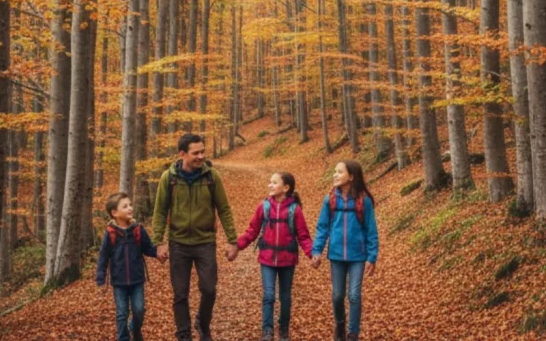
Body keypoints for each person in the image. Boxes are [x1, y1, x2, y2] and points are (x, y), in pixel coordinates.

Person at [152, 133, 239, 341]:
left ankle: (202, 323)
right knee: (180, 293)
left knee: (209, 289)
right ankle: (183, 334)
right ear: (183, 154)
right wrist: (159, 242)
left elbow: (224, 209)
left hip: (205, 242)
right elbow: (160, 211)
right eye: (195, 153)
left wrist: (232, 240)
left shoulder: (211, 176)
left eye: (202, 151)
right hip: (178, 244)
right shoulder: (169, 178)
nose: (201, 156)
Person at [235, 172, 313, 341]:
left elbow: (303, 236)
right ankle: (267, 330)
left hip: (288, 259)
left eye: (274, 182)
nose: (270, 185)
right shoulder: (263, 206)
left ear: (286, 188)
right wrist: (237, 246)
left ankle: (283, 328)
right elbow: (252, 231)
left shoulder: (295, 210)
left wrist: (312, 254)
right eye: (269, 182)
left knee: (285, 296)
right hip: (267, 259)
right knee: (269, 295)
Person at [310, 160, 379, 341]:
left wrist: (372, 257)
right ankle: (340, 324)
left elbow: (371, 230)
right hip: (337, 255)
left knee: (354, 295)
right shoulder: (330, 199)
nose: (335, 175)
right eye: (335, 171)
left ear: (351, 176)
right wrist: (316, 251)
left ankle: (352, 333)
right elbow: (322, 227)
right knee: (338, 295)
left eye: (339, 172)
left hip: (358, 255)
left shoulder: (364, 201)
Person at [96, 192, 159, 341]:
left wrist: (158, 253)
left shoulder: (138, 229)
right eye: (125, 206)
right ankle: (123, 338)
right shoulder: (110, 234)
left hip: (137, 279)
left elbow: (147, 248)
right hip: (119, 281)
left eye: (130, 204)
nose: (130, 208)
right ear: (114, 213)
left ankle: (135, 329)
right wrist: (100, 276)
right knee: (121, 313)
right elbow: (103, 256)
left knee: (139, 310)